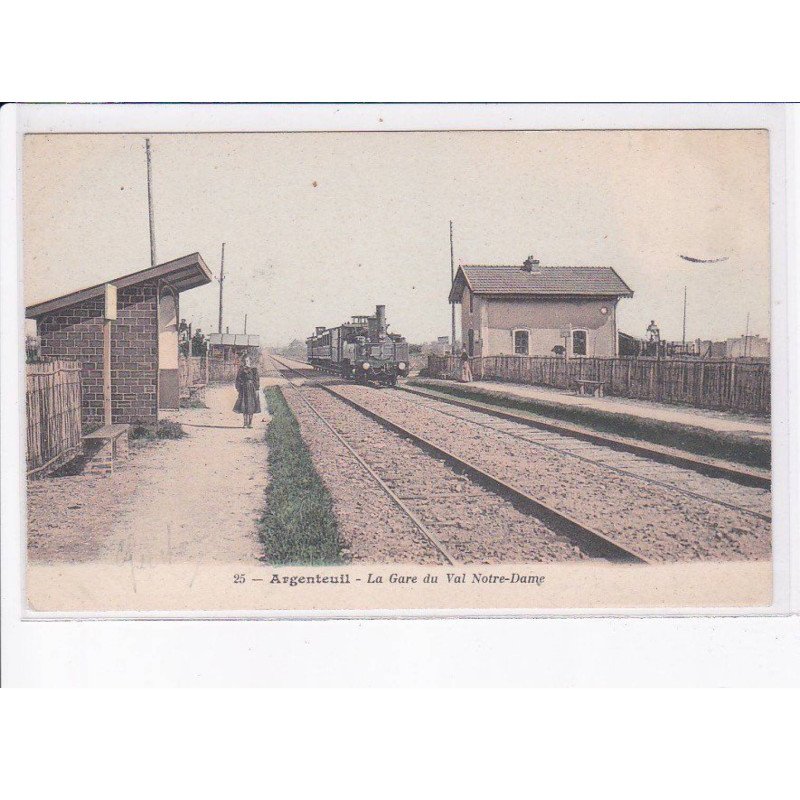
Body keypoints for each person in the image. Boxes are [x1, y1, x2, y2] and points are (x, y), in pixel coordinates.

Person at [233, 353, 261, 428]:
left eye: (247, 361)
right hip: (244, 389)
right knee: (244, 405)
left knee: (251, 405)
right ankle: (245, 423)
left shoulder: (254, 370)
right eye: (245, 361)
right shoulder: (241, 370)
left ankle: (250, 423)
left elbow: (256, 380)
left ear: (250, 361)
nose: (246, 362)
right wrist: (239, 388)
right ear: (243, 361)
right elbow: (238, 379)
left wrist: (257, 389)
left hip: (252, 389)